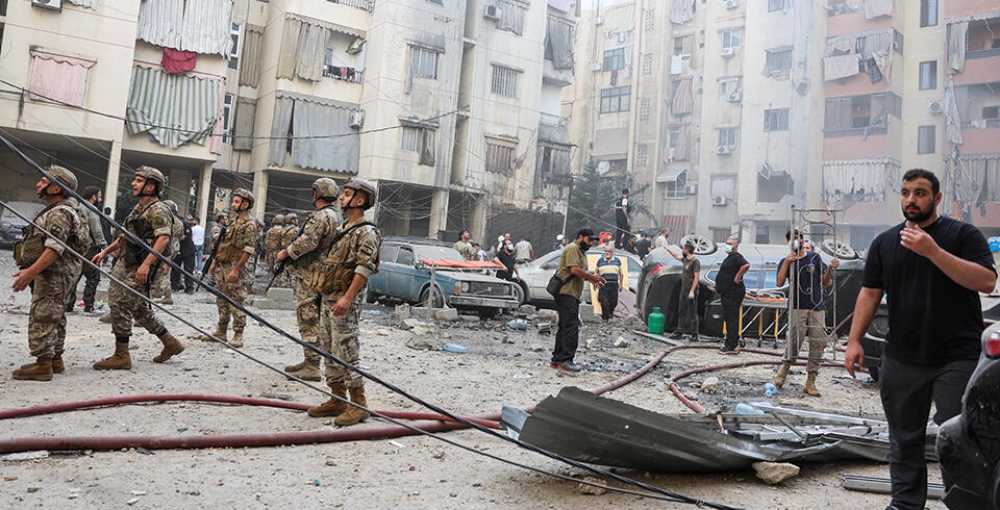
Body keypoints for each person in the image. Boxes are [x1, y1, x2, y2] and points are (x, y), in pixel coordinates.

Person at [844, 169, 996, 510]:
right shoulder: (885, 242)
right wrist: (853, 341)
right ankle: (905, 504)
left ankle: (968, 502)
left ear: (937, 198)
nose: (911, 199)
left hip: (957, 355)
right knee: (904, 437)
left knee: (961, 435)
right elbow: (870, 294)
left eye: (920, 193)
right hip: (902, 355)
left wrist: (932, 251)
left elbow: (986, 281)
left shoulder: (962, 235)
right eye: (906, 192)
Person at [90, 166, 185, 370]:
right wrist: (105, 251)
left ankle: (121, 355)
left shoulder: (158, 208)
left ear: (151, 186)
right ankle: (170, 342)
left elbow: (163, 238)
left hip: (142, 264)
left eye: (139, 180)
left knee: (121, 303)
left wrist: (146, 265)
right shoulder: (139, 208)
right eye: (135, 179)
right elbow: (125, 235)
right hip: (128, 261)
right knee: (139, 308)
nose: (134, 183)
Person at [307, 177, 382, 427]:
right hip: (329, 298)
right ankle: (337, 398)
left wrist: (348, 298)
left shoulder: (366, 232)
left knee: (346, 350)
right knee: (328, 349)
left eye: (347, 194)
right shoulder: (343, 230)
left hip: (343, 301)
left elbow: (364, 268)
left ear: (359, 200)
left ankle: (358, 404)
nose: (341, 197)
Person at [10, 166, 84, 381]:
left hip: (55, 273)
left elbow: (54, 248)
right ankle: (55, 360)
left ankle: (43, 365)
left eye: (44, 181)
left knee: (43, 314)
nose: (38, 184)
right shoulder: (59, 209)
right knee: (56, 315)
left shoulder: (60, 212)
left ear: (56, 188)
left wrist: (29, 273)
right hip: (59, 272)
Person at [276, 178, 342, 382]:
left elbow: (308, 242)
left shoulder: (321, 216)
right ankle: (310, 360)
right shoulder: (337, 215)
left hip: (311, 273)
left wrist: (286, 253)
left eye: (314, 192)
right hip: (325, 271)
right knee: (315, 315)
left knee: (307, 314)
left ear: (317, 194)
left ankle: (312, 365)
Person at [774, 229, 839, 396]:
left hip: (816, 306)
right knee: (795, 340)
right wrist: (788, 263)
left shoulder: (814, 258)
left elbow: (825, 282)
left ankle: (810, 381)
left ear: (802, 240)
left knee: (819, 341)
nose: (795, 241)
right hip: (797, 306)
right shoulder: (785, 261)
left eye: (798, 238)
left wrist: (830, 267)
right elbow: (780, 282)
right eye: (791, 239)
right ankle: (784, 369)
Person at [199, 188, 259, 348]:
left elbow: (248, 249)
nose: (233, 204)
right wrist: (214, 264)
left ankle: (238, 334)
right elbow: (223, 245)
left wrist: (236, 269)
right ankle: (221, 330)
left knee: (237, 301)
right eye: (233, 201)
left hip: (236, 266)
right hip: (224, 265)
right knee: (222, 300)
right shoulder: (233, 223)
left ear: (246, 205)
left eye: (237, 202)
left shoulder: (250, 225)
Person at [551, 228, 606, 372]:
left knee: (565, 326)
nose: (590, 244)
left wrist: (591, 278)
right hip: (566, 292)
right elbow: (574, 270)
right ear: (580, 237)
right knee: (571, 326)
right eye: (588, 240)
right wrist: (592, 277)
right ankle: (566, 360)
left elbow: (579, 273)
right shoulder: (572, 248)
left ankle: (557, 360)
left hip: (572, 293)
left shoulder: (580, 252)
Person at [66, 185, 107, 313]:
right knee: (93, 277)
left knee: (74, 276)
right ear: (94, 197)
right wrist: (105, 247)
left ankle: (68, 305)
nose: (100, 199)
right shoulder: (91, 209)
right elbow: (97, 230)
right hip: (89, 248)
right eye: (99, 196)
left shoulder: (76, 207)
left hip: (75, 247)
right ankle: (89, 306)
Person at [715, 237, 750, 355]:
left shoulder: (737, 257)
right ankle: (731, 343)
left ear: (736, 246)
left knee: (732, 319)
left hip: (733, 293)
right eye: (726, 243)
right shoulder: (729, 258)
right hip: (726, 292)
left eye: (730, 244)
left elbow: (746, 265)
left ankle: (731, 345)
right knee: (729, 318)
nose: (727, 245)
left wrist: (737, 277)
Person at [668, 243, 701, 342]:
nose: (682, 251)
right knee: (681, 310)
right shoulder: (685, 260)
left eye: (683, 249)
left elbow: (696, 277)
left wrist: (692, 290)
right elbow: (676, 256)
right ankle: (679, 331)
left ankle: (695, 334)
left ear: (687, 250)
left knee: (693, 312)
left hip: (691, 290)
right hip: (684, 289)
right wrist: (668, 249)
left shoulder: (695, 261)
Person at [152, 200, 182, 305]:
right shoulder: (179, 222)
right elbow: (181, 236)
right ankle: (156, 292)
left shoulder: (168, 220)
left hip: (166, 247)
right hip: (174, 247)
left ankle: (167, 295)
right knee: (159, 269)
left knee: (163, 271)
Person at [595, 245, 625, 322]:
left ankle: (610, 313)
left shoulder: (617, 261)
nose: (607, 253)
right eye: (606, 251)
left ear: (612, 252)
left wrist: (621, 284)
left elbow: (621, 274)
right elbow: (596, 274)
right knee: (604, 302)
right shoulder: (600, 261)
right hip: (603, 286)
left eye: (609, 251)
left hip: (614, 285)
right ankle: (605, 318)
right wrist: (596, 283)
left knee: (613, 302)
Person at [278, 213, 299, 287]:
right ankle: (293, 291)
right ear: (293, 220)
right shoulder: (297, 230)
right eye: (295, 219)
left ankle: (283, 288)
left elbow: (279, 242)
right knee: (294, 274)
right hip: (293, 253)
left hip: (283, 253)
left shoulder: (282, 230)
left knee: (284, 273)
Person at [265, 214, 285, 282]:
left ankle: (270, 283)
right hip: (278, 252)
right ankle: (276, 285)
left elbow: (267, 244)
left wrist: (266, 255)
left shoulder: (269, 230)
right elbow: (283, 243)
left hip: (270, 252)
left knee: (270, 269)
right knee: (278, 269)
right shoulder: (283, 231)